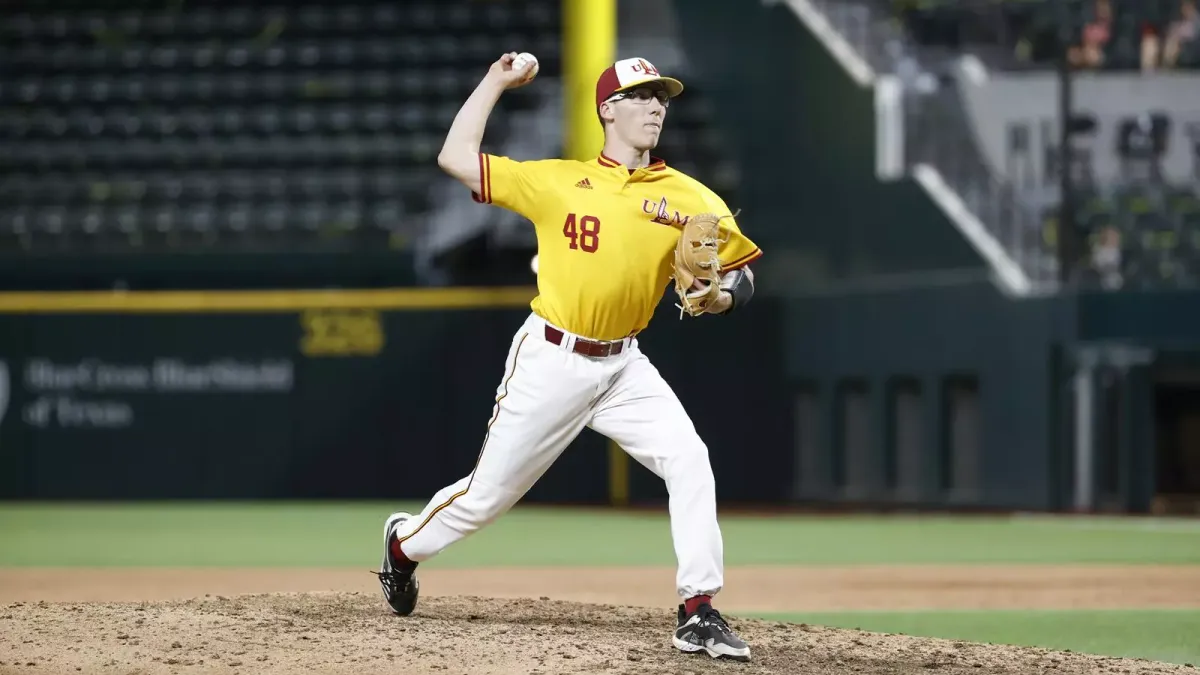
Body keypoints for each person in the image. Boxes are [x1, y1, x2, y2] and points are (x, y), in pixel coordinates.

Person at [373, 54, 762, 662]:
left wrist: (722, 297)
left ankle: (698, 611)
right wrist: (496, 82)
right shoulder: (556, 180)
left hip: (625, 365)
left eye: (661, 96)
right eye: (641, 95)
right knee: (486, 498)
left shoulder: (691, 198)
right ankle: (403, 544)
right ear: (608, 108)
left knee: (689, 458)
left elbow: (742, 275)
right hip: (552, 357)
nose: (656, 105)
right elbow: (455, 158)